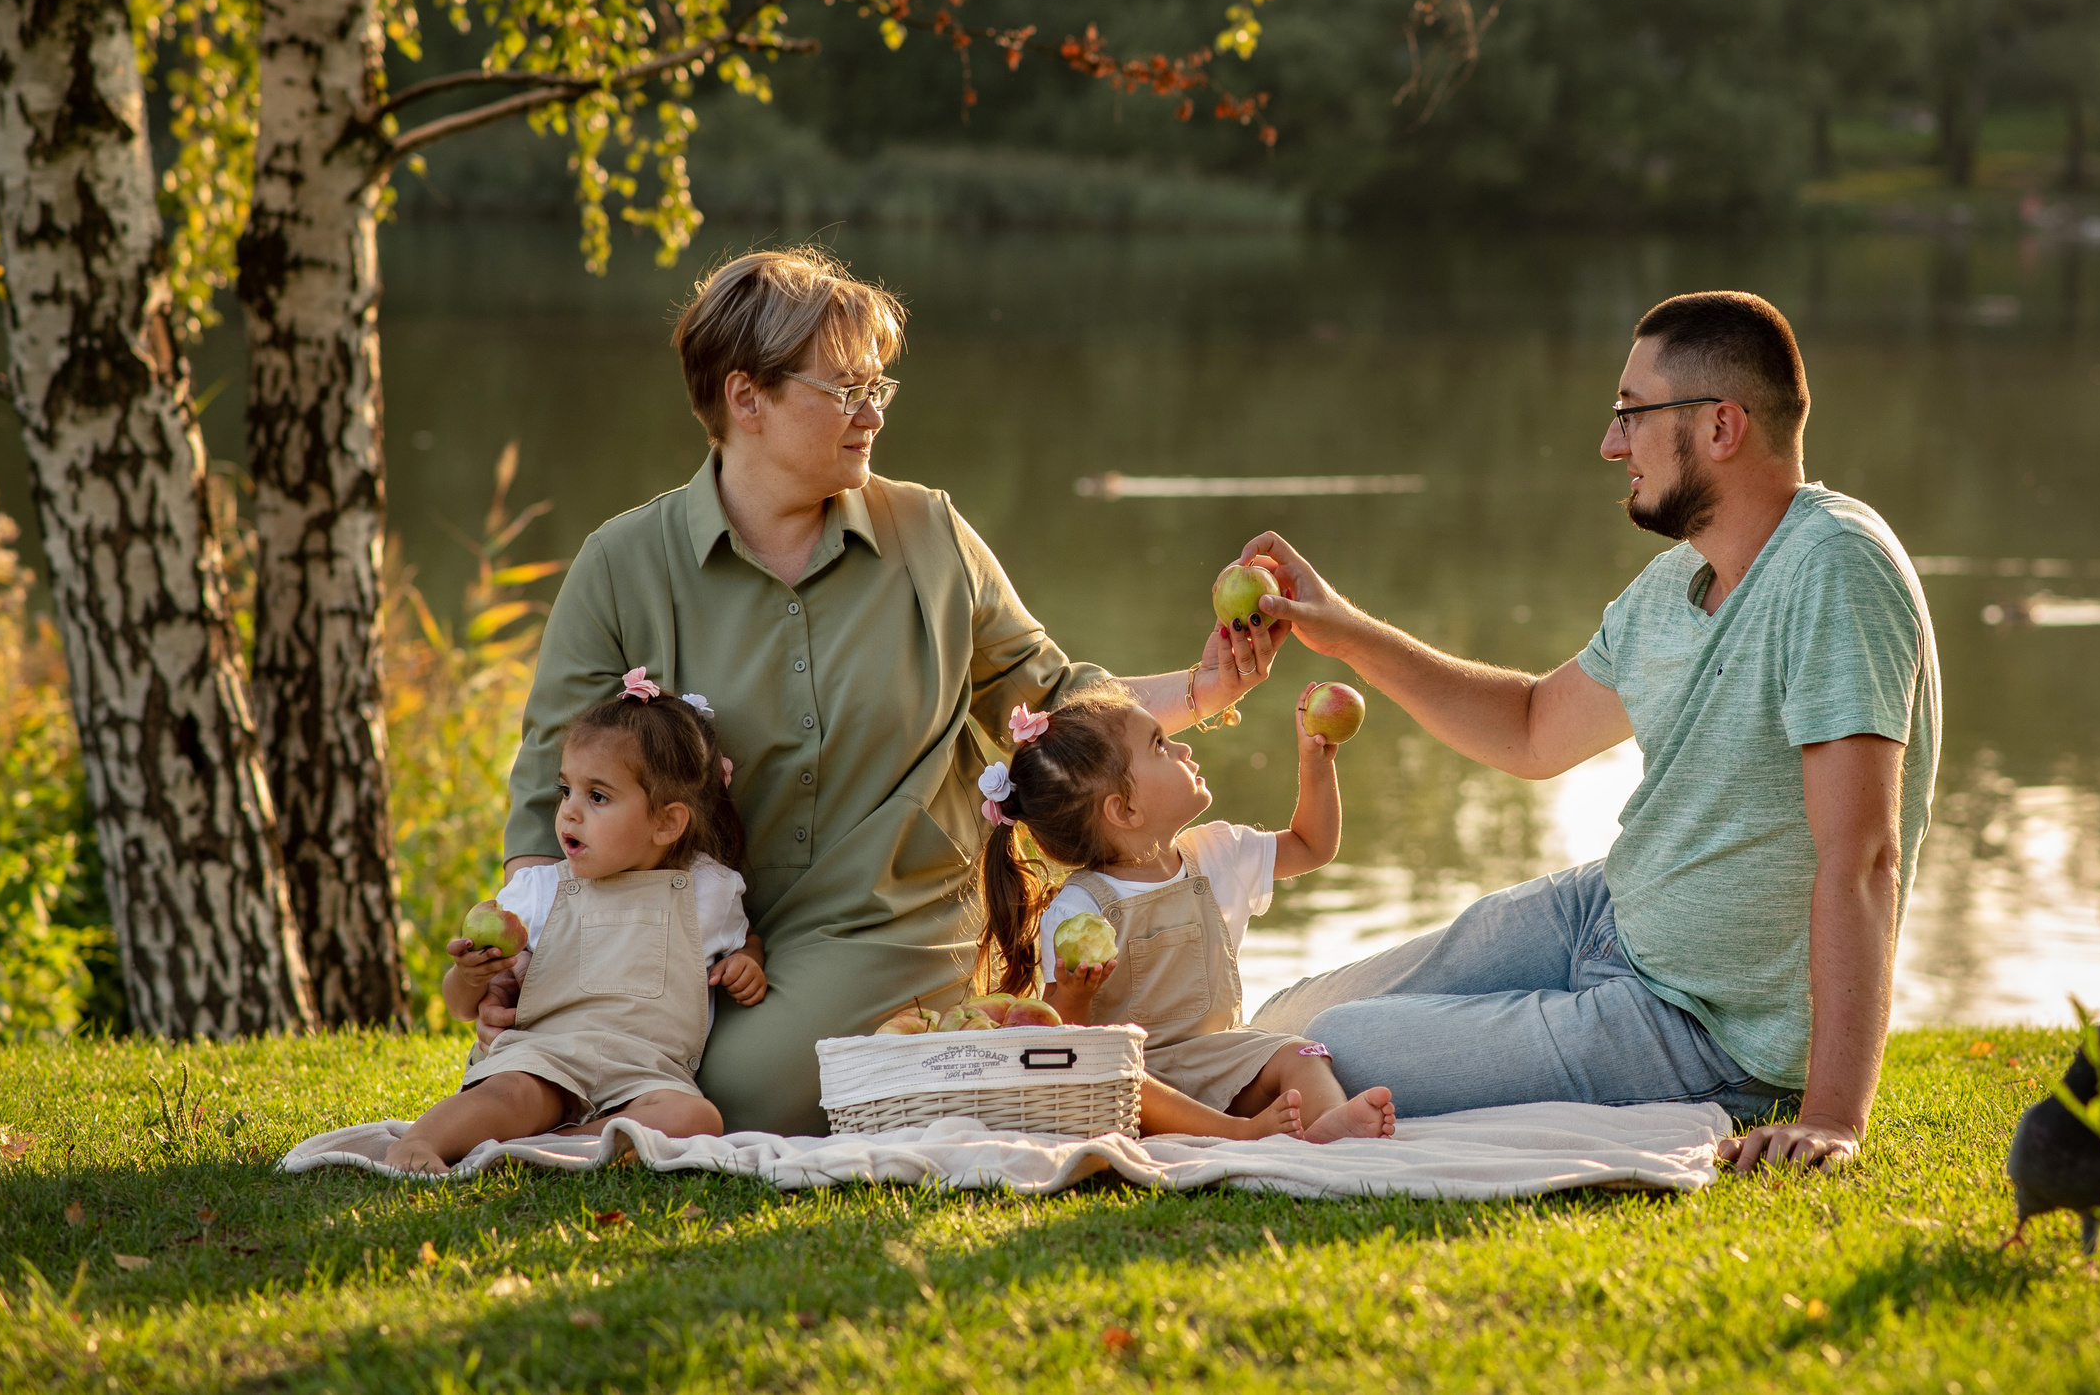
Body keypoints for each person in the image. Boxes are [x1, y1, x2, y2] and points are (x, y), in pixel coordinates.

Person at [488, 248, 1288, 1135]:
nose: (872, 413)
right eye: (843, 389)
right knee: (569, 1064)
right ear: (745, 398)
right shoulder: (621, 562)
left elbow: (1051, 705)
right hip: (681, 930)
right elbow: (545, 786)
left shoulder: (931, 536)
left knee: (736, 1096)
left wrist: (1208, 685)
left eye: (879, 387)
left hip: (892, 926)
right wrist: (528, 959)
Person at [1245, 290, 1939, 1175]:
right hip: (1603, 913)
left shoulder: (1836, 570)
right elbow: (1534, 729)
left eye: (1631, 415)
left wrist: (1835, 1116)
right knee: (1281, 1026)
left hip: (1694, 1027)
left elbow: (1863, 853)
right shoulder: (1673, 585)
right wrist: (1339, 626)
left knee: (1335, 1054)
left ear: (1723, 426)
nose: (1613, 445)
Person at [966, 693, 1397, 1143]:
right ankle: (1239, 1133)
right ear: (1125, 810)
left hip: (1219, 1060)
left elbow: (1313, 845)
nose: (1183, 749)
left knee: (1302, 1052)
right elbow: (1067, 1037)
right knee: (1119, 1070)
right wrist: (1074, 993)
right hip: (1139, 1079)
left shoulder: (1217, 852)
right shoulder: (1079, 909)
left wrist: (1316, 762)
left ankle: (1329, 1122)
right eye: (1159, 745)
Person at [387, 678, 763, 1173]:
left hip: (644, 1074)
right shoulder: (540, 891)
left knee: (696, 1116)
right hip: (547, 1060)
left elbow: (745, 938)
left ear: (667, 823)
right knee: (512, 1091)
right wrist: (471, 978)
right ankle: (419, 1143)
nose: (569, 811)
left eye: (598, 796)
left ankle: (559, 1145)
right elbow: (461, 1007)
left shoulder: (708, 892)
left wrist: (747, 962)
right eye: (566, 790)